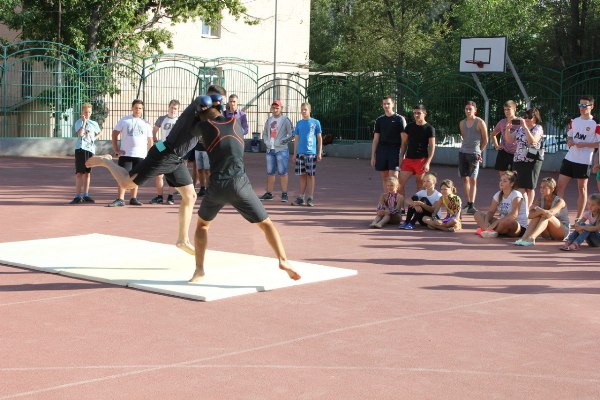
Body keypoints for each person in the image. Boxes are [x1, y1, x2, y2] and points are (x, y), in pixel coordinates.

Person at [85, 85, 228, 255]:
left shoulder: (206, 118)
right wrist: (211, 103)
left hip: (176, 159)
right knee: (126, 184)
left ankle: (182, 240)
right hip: (164, 154)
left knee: (190, 196)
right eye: (217, 101)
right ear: (210, 99)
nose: (218, 106)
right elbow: (201, 101)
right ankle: (105, 161)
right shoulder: (197, 106)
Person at [189, 97, 301, 283]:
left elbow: (191, 126)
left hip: (217, 185)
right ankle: (283, 260)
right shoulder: (235, 121)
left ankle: (199, 269)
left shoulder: (204, 128)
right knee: (266, 224)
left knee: (203, 225)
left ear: (202, 113)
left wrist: (197, 114)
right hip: (240, 183)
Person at [556, 96, 600, 220]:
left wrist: (585, 144)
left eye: (585, 105)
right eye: (580, 105)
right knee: (559, 187)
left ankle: (579, 218)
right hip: (569, 158)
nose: (582, 108)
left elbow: (598, 143)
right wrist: (570, 141)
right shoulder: (574, 121)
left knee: (582, 189)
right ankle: (559, 214)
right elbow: (569, 136)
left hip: (584, 161)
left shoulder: (596, 123)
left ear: (592, 106)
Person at [108, 99, 153, 207]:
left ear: (142, 110)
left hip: (141, 155)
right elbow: (114, 134)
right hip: (126, 154)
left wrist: (150, 155)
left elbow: (150, 140)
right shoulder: (124, 120)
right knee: (122, 176)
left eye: (140, 108)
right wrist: (116, 149)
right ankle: (120, 199)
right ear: (132, 108)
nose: (138, 110)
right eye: (136, 108)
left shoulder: (146, 123)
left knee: (136, 177)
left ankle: (133, 198)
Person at [505, 107, 544, 209]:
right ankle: (522, 208)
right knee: (519, 186)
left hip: (532, 160)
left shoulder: (538, 128)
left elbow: (533, 141)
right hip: (518, 159)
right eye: (525, 117)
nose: (526, 119)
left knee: (530, 187)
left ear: (535, 118)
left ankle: (527, 209)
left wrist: (526, 128)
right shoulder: (520, 129)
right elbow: (509, 140)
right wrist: (507, 129)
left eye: (529, 117)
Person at [514, 177, 569, 246]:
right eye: (541, 187)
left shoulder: (560, 201)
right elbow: (530, 215)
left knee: (545, 216)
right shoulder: (539, 200)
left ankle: (532, 238)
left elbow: (549, 214)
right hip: (546, 233)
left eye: (544, 188)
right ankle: (524, 238)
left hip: (561, 231)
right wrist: (539, 212)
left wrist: (538, 209)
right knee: (538, 216)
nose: (541, 190)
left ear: (552, 189)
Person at [473, 170, 528, 238]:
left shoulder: (516, 194)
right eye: (501, 180)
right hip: (501, 224)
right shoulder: (498, 195)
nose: (501, 183)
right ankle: (487, 230)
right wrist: (486, 222)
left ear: (512, 184)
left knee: (508, 221)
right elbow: (491, 212)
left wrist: (496, 223)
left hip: (517, 226)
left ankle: (488, 231)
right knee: (477, 214)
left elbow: (513, 216)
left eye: (505, 181)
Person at [398, 104, 436, 200]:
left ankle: (418, 207)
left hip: (421, 160)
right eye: (414, 113)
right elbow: (404, 144)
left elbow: (432, 147)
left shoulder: (429, 128)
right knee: (399, 184)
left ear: (424, 114)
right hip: (409, 159)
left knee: (420, 185)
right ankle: (400, 208)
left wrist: (428, 162)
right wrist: (401, 156)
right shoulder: (409, 127)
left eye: (419, 113)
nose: (416, 115)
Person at [259, 100, 294, 202]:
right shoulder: (269, 120)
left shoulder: (285, 120)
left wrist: (283, 141)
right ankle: (269, 193)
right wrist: (266, 141)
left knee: (283, 172)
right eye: (273, 108)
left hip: (281, 150)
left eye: (277, 108)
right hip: (270, 150)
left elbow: (291, 134)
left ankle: (284, 194)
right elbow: (265, 133)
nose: (275, 110)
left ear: (281, 108)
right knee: (270, 172)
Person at [371, 96, 407, 192]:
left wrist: (402, 155)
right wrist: (373, 156)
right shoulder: (379, 120)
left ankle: (396, 202)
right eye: (384, 104)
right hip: (382, 151)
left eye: (388, 103)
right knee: (385, 178)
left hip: (395, 151)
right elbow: (375, 139)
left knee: (394, 179)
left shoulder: (400, 119)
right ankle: (388, 200)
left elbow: (404, 140)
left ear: (393, 104)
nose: (386, 106)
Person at [458, 101, 488, 214]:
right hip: (463, 153)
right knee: (465, 179)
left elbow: (485, 139)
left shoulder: (480, 122)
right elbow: (464, 136)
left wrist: (479, 151)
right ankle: (468, 203)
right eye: (466, 109)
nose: (468, 111)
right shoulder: (462, 123)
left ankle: (472, 204)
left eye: (470, 109)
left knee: (473, 179)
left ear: (475, 110)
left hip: (474, 154)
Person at [291, 102, 322, 207]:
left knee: (311, 175)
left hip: (311, 154)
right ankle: (301, 197)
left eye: (305, 109)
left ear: (310, 110)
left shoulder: (315, 122)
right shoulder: (299, 123)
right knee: (302, 175)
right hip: (300, 153)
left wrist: (319, 152)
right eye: (302, 109)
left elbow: (319, 138)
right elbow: (296, 139)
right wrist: (295, 153)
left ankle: (310, 197)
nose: (303, 111)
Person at [149, 99, 180, 205]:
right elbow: (154, 132)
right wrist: (158, 144)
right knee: (159, 174)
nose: (173, 110)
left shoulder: (180, 121)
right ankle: (159, 197)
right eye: (171, 107)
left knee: (172, 174)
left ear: (178, 110)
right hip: (162, 148)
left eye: (175, 108)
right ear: (168, 107)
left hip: (174, 150)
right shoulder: (162, 119)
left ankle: (170, 197)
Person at [69, 103, 101, 204]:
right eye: (85, 112)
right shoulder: (78, 122)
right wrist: (84, 122)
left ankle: (86, 195)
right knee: (79, 173)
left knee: (87, 173)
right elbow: (80, 134)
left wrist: (94, 139)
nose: (87, 114)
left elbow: (100, 132)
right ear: (82, 112)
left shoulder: (94, 123)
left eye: (89, 112)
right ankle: (77, 196)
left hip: (90, 149)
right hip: (80, 149)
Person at [491, 100, 518, 176]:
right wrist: (496, 145)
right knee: (502, 175)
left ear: (514, 109)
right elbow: (493, 134)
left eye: (508, 109)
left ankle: (513, 188)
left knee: (515, 176)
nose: (506, 111)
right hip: (504, 151)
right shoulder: (502, 122)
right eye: (505, 110)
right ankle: (503, 188)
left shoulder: (520, 122)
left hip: (516, 152)